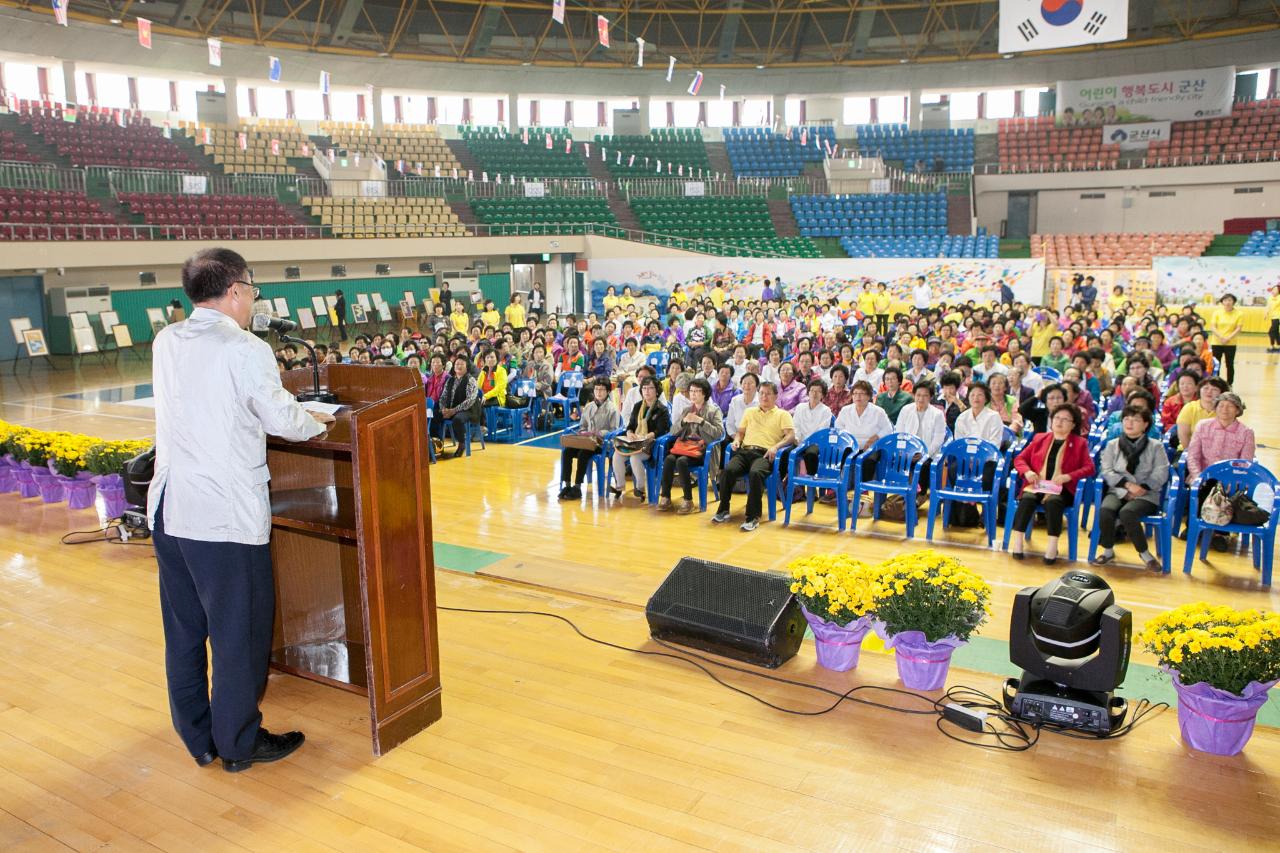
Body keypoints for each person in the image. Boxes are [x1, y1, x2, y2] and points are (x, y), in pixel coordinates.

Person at [149, 248, 334, 773]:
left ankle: (199, 738)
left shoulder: (167, 341)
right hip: (222, 516)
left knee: (184, 631)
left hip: (170, 507)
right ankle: (238, 742)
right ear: (234, 289)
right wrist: (319, 421)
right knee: (239, 634)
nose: (254, 298)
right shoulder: (244, 347)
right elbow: (281, 417)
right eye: (251, 287)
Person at [1009, 405, 1095, 564]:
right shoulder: (1040, 438)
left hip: (1062, 489)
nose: (1059, 422)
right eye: (1057, 418)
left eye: (1065, 419)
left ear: (1073, 424)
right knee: (1027, 499)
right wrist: (1027, 472)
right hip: (1037, 484)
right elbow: (1020, 459)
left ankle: (1052, 546)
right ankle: (1018, 541)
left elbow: (1089, 468)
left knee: (1054, 502)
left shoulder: (1079, 443)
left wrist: (1068, 476)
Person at [1091, 405, 1170, 573]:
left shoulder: (1156, 446)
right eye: (1126, 419)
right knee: (1106, 510)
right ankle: (1108, 550)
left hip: (1146, 494)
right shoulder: (1113, 444)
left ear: (1146, 424)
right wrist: (1127, 486)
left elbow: (1161, 472)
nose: (1130, 423)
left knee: (1127, 513)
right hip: (1119, 489)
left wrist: (1143, 487)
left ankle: (1145, 554)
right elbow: (1106, 469)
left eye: (1135, 420)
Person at [713, 381, 795, 532]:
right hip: (745, 451)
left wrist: (775, 447)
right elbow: (741, 432)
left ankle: (752, 517)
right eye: (762, 393)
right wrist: (737, 441)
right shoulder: (749, 412)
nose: (764, 396)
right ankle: (723, 509)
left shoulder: (783, 414)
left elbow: (790, 437)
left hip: (764, 453)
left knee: (755, 473)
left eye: (768, 393)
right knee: (727, 471)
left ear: (776, 396)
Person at [1185, 392, 1256, 552]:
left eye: (1230, 406)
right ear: (1215, 408)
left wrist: (1231, 480)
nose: (1225, 409)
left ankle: (1220, 534)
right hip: (1204, 474)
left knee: (1225, 491)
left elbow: (1245, 462)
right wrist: (1197, 475)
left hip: (1230, 479)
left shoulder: (1246, 432)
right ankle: (1195, 526)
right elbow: (1193, 455)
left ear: (1238, 410)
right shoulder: (1203, 425)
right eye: (1221, 405)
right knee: (1200, 486)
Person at [658, 377, 724, 514]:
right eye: (691, 391)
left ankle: (688, 500)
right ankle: (665, 496)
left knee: (682, 462)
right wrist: (683, 422)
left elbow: (719, 434)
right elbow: (673, 431)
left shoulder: (713, 411)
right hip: (686, 447)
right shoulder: (687, 409)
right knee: (669, 459)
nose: (693, 394)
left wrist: (701, 421)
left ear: (705, 393)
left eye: (697, 391)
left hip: (704, 450)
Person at [559, 378, 621, 499]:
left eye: (602, 389)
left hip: (602, 443)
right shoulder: (589, 406)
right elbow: (582, 425)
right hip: (587, 441)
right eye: (596, 389)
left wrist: (597, 433)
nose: (598, 392)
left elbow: (614, 430)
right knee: (567, 452)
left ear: (608, 391)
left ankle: (577, 487)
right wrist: (583, 432)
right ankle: (567, 485)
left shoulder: (612, 409)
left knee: (583, 454)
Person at [610, 377, 670, 500]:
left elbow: (662, 430)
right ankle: (619, 486)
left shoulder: (662, 409)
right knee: (617, 456)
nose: (647, 391)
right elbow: (631, 425)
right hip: (634, 442)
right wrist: (630, 433)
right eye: (644, 388)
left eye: (651, 388)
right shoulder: (638, 406)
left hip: (651, 444)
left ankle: (640, 488)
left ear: (657, 391)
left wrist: (647, 436)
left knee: (634, 458)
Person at [438, 353, 481, 457]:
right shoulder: (450, 380)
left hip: (469, 410)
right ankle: (437, 445)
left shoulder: (471, 380)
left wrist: (453, 411)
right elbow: (443, 397)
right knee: (435, 416)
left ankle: (462, 444)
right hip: (451, 408)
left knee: (457, 419)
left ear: (467, 366)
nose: (458, 366)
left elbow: (470, 401)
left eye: (461, 364)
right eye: (457, 364)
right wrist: (443, 408)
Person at [1176, 376, 1229, 452]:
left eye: (1214, 389)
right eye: (1206, 388)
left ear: (1222, 393)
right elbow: (1184, 436)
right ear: (1199, 390)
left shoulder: (1225, 411)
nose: (1209, 392)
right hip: (1188, 451)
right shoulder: (1190, 408)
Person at [953, 382, 1005, 448]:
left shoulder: (994, 417)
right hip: (965, 455)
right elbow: (959, 443)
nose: (975, 398)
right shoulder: (962, 417)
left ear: (986, 399)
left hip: (987, 455)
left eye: (980, 395)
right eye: (972, 395)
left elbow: (995, 444)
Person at [1209, 293, 1242, 387]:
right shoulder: (1217, 313)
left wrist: (1228, 338)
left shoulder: (1239, 314)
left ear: (1234, 302)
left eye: (1230, 300)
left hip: (1231, 343)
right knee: (1216, 363)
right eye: (1225, 300)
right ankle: (1216, 382)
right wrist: (1221, 337)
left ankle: (1229, 383)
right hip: (1216, 342)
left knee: (1229, 364)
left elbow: (1238, 328)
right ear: (1222, 302)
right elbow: (1213, 327)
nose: (1228, 302)